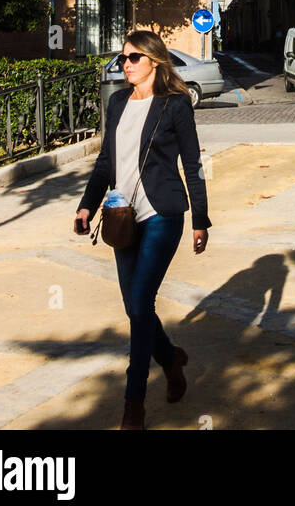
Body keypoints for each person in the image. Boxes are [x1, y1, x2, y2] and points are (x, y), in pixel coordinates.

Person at [74, 30, 210, 431]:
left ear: (154, 61)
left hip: (162, 213)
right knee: (137, 306)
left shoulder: (175, 105)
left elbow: (193, 164)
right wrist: (86, 204)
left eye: (133, 58)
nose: (125, 65)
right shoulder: (117, 103)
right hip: (120, 215)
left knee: (139, 303)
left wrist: (200, 219)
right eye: (122, 59)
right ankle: (169, 360)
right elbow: (104, 161)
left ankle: (133, 405)